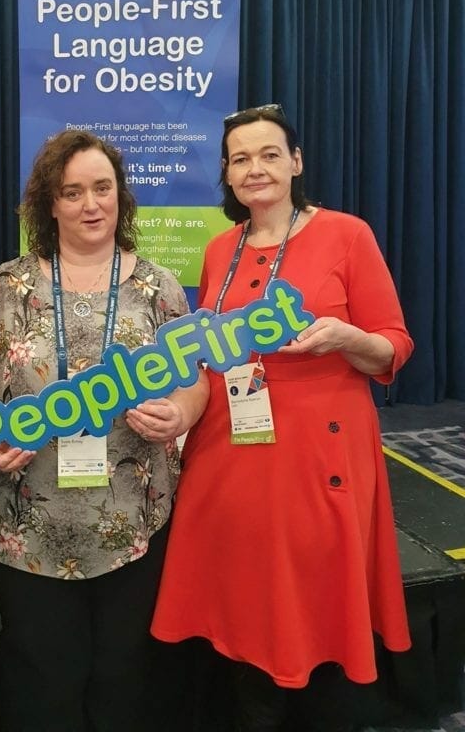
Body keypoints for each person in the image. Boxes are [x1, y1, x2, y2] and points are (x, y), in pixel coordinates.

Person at [151, 103, 414, 732]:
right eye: (240, 159)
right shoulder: (220, 249)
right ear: (227, 175)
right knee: (242, 602)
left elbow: (394, 345)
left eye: (269, 154)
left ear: (296, 163)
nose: (255, 168)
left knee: (311, 600)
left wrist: (346, 338)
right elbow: (213, 358)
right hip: (232, 447)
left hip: (318, 452)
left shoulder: (346, 234)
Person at [0, 128, 209, 732]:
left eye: (102, 188)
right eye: (73, 192)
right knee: (42, 677)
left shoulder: (158, 287)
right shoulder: (6, 286)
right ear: (50, 204)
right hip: (27, 524)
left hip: (133, 520)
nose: (91, 204)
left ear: (121, 196)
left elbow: (195, 376)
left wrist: (184, 412)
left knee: (124, 674)